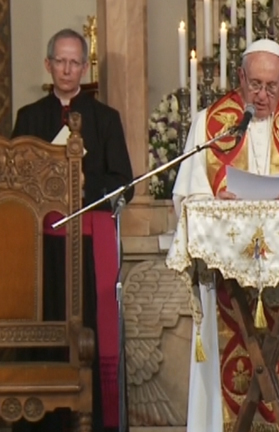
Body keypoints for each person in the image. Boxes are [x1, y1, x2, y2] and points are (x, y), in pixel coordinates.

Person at [171, 38, 279, 432]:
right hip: (227, 281)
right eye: (255, 84)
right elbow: (187, 197)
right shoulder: (210, 124)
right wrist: (212, 196)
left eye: (272, 86)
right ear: (240, 78)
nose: (264, 95)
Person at [10, 28, 134, 432]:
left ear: (85, 66)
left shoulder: (106, 118)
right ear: (48, 65)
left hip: (88, 247)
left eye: (74, 61)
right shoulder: (29, 117)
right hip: (39, 253)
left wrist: (84, 186)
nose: (67, 69)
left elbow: (124, 185)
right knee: (43, 324)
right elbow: (11, 185)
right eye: (59, 61)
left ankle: (93, 420)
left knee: (87, 333)